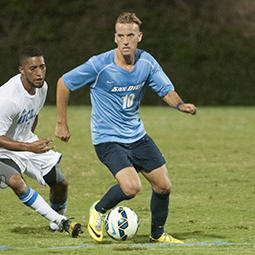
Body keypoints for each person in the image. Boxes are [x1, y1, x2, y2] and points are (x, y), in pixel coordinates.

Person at [55, 12, 197, 243]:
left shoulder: (146, 62)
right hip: (108, 139)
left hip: (137, 136)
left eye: (130, 35)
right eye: (121, 35)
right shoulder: (99, 65)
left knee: (163, 186)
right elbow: (64, 82)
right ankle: (98, 211)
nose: (125, 41)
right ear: (115, 38)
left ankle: (157, 235)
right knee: (131, 187)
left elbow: (166, 90)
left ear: (139, 36)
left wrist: (180, 104)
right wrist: (62, 123)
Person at [0, 46, 81, 238]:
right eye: (33, 68)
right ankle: (62, 221)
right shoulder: (8, 99)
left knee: (61, 183)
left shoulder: (41, 88)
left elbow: (33, 115)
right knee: (17, 183)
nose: (39, 73)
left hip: (27, 144)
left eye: (42, 67)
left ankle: (56, 222)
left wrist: (29, 143)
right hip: (3, 150)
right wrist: (29, 147)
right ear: (21, 70)